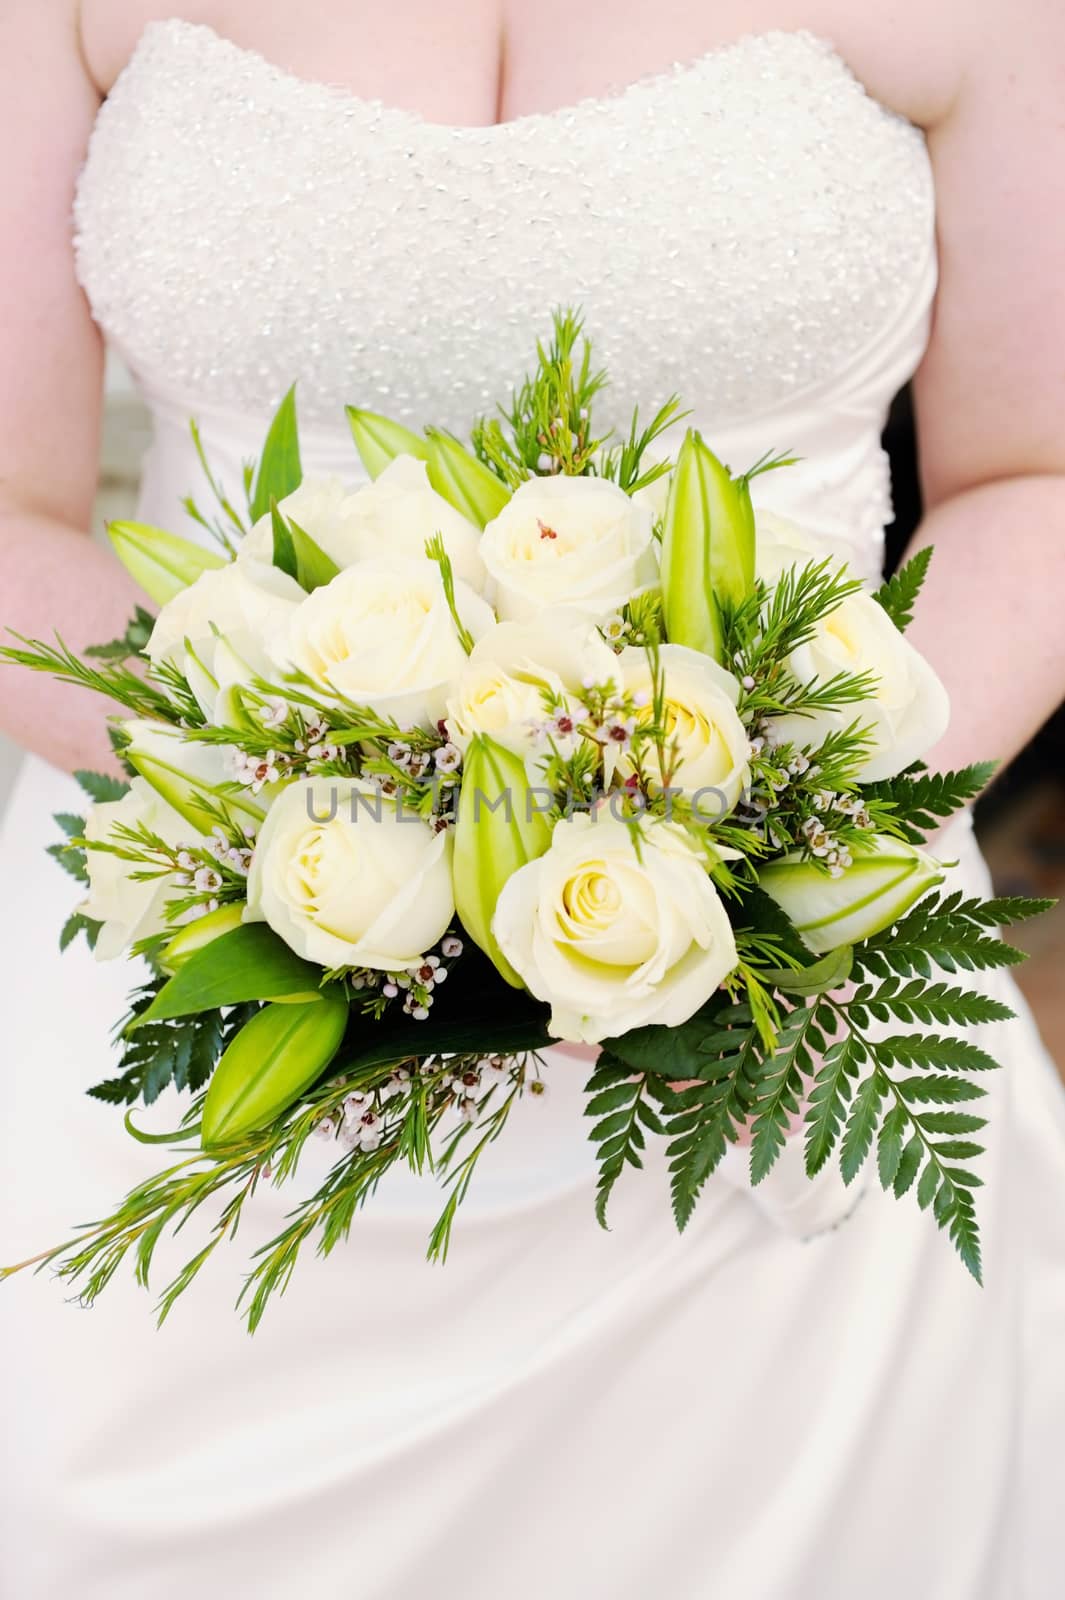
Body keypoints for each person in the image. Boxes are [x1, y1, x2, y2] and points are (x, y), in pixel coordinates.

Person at [1, 3, 1063, 1595]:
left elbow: (1031, 479)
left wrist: (765, 835)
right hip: (201, 944)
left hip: (784, 1002)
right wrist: (271, 799)